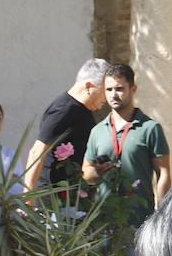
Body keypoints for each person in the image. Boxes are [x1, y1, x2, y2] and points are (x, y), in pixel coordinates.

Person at [82, 64, 171, 256]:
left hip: (139, 220)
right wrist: (98, 172)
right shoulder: (98, 131)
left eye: (120, 89)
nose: (114, 94)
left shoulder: (150, 128)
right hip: (104, 221)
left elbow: (164, 173)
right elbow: (86, 174)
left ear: (133, 89)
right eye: (109, 89)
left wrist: (160, 214)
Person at [23, 58, 109, 194]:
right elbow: (37, 152)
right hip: (53, 201)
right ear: (88, 86)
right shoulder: (64, 109)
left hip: (74, 198)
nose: (108, 97)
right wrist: (28, 200)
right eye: (105, 90)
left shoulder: (83, 109)